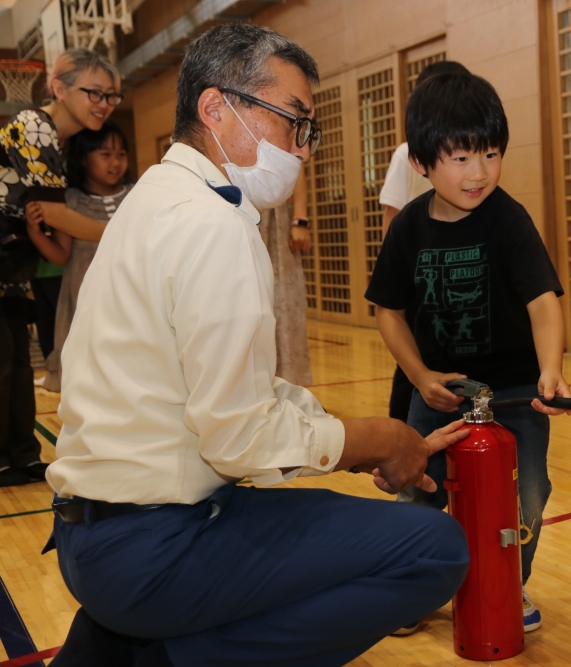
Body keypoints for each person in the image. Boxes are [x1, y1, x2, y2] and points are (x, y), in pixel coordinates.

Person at [45, 24, 469, 667]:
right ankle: (164, 656)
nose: (302, 150)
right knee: (434, 549)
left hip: (91, 534)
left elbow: (219, 390)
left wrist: (341, 435)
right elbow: (237, 438)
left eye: (309, 131)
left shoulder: (151, 199)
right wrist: (379, 439)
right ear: (217, 108)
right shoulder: (212, 225)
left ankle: (116, 645)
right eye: (292, 122)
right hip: (150, 548)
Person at [365, 71, 570, 634]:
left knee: (525, 497)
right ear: (422, 163)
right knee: (417, 492)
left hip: (514, 395)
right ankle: (415, 589)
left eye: (490, 153)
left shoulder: (510, 220)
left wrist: (550, 369)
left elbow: (543, 302)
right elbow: (389, 311)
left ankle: (506, 583)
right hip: (436, 394)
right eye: (459, 158)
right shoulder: (408, 228)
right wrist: (420, 374)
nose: (478, 172)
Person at [0, 48, 119, 488]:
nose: (104, 103)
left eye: (112, 96)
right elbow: (53, 213)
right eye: (94, 92)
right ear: (59, 88)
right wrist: (125, 230)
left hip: (12, 263)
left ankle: (21, 456)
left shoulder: (62, 143)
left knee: (13, 360)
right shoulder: (34, 125)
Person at [379, 59, 469, 424]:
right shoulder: (406, 154)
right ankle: (401, 435)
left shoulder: (472, 157)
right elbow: (392, 220)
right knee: (413, 366)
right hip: (422, 283)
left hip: (459, 282)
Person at [40, 120, 133, 394]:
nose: (115, 162)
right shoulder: (71, 201)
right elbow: (60, 256)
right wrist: (36, 234)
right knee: (88, 380)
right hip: (83, 301)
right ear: (83, 159)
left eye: (121, 154)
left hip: (127, 299)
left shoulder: (135, 196)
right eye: (105, 154)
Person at [257, 170, 313, 386]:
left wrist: (300, 220)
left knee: (284, 303)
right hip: (237, 209)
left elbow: (295, 163)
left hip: (274, 218)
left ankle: (291, 386)